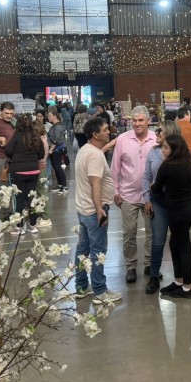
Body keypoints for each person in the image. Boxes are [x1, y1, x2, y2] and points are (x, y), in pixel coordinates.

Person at [73, 117, 122, 306]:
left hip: (83, 210)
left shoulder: (85, 150)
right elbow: (96, 183)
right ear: (95, 135)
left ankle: (81, 287)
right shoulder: (95, 156)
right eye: (105, 130)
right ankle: (100, 291)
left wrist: (111, 143)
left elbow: (97, 154)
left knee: (82, 250)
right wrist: (99, 208)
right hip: (94, 212)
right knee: (98, 252)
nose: (109, 131)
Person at [152, 133, 191, 300]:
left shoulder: (167, 166)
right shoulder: (189, 162)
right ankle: (178, 281)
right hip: (189, 209)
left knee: (183, 247)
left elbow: (156, 188)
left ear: (174, 149)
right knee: (174, 244)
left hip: (178, 212)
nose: (163, 150)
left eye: (166, 147)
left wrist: (152, 185)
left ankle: (187, 288)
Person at [111, 105, 157, 283]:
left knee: (152, 233)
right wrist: (115, 190)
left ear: (148, 121)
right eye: (134, 121)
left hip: (150, 196)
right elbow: (115, 168)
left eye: (140, 120)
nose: (137, 124)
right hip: (128, 195)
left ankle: (149, 264)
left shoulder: (156, 139)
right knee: (129, 233)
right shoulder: (122, 139)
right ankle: (130, 266)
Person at [142, 121, 181, 294]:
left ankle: (180, 278)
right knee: (158, 240)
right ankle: (153, 276)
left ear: (170, 133)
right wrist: (147, 199)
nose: (156, 133)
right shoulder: (153, 152)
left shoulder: (182, 153)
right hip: (158, 201)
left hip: (177, 202)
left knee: (179, 241)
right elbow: (146, 177)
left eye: (160, 130)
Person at [4, 114, 45, 236]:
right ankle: (33, 225)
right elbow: (41, 154)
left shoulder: (16, 136)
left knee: (19, 199)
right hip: (34, 171)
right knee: (32, 198)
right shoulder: (36, 136)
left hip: (17, 172)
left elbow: (8, 151)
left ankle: (20, 227)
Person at [47, 109, 69, 194]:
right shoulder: (55, 126)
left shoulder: (58, 126)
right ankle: (60, 185)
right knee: (56, 168)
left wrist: (51, 149)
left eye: (49, 116)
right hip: (56, 149)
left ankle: (64, 187)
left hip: (58, 149)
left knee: (58, 168)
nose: (48, 117)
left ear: (55, 116)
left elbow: (56, 140)